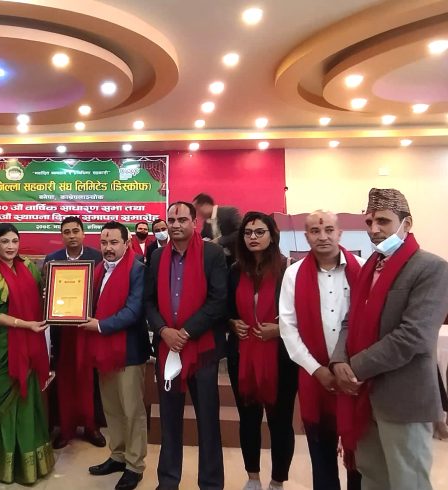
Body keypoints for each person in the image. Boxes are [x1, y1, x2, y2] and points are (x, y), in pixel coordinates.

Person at [331, 188, 448, 490]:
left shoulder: (431, 268)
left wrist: (354, 367)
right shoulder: (369, 267)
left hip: (404, 398)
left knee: (408, 481)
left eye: (383, 221)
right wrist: (339, 360)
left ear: (406, 224)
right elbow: (350, 320)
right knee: (372, 479)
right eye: (369, 222)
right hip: (364, 396)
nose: (374, 229)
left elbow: (414, 336)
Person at [144, 201, 228, 490]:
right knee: (169, 420)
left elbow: (219, 300)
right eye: (171, 220)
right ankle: (168, 481)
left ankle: (211, 483)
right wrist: (164, 330)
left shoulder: (212, 254)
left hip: (202, 350)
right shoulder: (157, 256)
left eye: (182, 219)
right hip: (167, 349)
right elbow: (149, 301)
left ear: (195, 222)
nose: (175, 224)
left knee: (208, 422)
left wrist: (186, 332)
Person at [278, 210, 364, 490]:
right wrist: (317, 370)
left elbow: (369, 323)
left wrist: (351, 368)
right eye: (315, 231)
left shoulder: (362, 269)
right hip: (315, 379)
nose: (323, 236)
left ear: (340, 233)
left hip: (356, 377)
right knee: (322, 457)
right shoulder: (293, 274)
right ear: (307, 236)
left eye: (329, 229)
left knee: (361, 461)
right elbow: (288, 328)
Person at [0, 223, 55, 484]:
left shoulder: (29, 267)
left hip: (30, 345)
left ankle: (32, 464)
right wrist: (25, 324)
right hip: (1, 348)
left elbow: (43, 297)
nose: (10, 247)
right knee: (4, 406)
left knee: (30, 403)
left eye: (15, 241)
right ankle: (5, 466)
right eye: (5, 241)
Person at [226, 212, 297, 490]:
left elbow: (303, 314)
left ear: (272, 235)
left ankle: (277, 481)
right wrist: (232, 323)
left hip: (281, 358)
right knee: (248, 420)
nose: (253, 237)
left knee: (280, 422)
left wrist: (279, 330)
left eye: (259, 232)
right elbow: (224, 309)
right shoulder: (235, 271)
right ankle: (252, 478)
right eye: (247, 233)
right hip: (242, 355)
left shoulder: (288, 269)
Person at [82, 221, 150, 490]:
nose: (108, 248)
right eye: (103, 243)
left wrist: (99, 325)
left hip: (128, 351)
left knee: (132, 410)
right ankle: (118, 455)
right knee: (112, 407)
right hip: (104, 351)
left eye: (113, 242)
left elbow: (134, 311)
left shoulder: (138, 269)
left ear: (126, 243)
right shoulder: (98, 270)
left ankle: (135, 465)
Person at [43, 216, 105, 449]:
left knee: (89, 378)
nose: (71, 235)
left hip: (89, 328)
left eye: (75, 231)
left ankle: (91, 426)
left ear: (83, 233)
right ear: (62, 236)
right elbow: (46, 292)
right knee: (65, 377)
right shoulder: (52, 260)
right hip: (62, 329)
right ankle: (66, 427)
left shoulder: (97, 258)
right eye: (67, 232)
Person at [192, 193, 241, 265]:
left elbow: (241, 232)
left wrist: (219, 240)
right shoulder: (206, 223)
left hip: (236, 258)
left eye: (197, 209)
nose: (197, 213)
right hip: (220, 261)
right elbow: (201, 238)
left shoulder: (230, 212)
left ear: (205, 205)